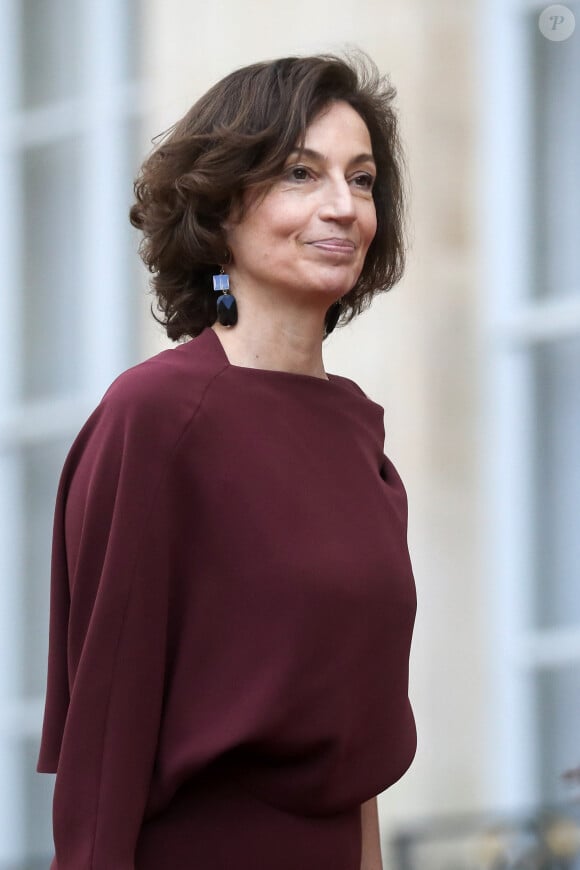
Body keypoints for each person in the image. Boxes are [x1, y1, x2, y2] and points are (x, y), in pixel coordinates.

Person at [37, 53, 417, 870]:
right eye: (300, 173)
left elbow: (357, 758)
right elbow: (104, 743)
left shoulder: (360, 435)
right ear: (220, 206)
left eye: (362, 179)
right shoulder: (157, 418)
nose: (342, 207)